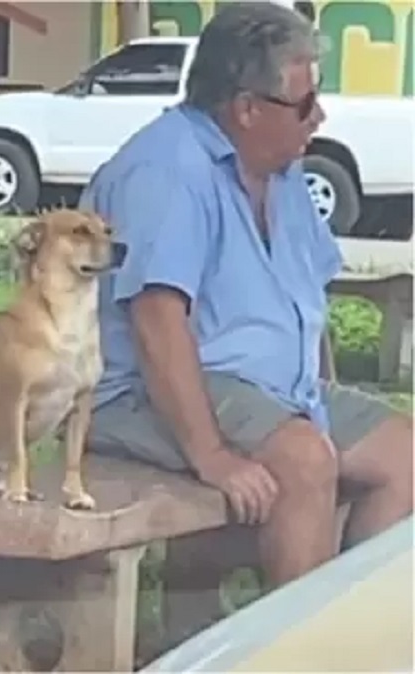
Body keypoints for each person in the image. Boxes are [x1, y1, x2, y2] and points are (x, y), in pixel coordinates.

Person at [80, 1, 412, 590]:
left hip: (268, 389)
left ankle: (345, 635)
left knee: (404, 457)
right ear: (247, 108)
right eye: (305, 103)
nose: (320, 117)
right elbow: (157, 325)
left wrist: (316, 397)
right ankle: (297, 652)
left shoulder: (280, 169)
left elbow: (308, 305)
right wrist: (213, 456)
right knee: (307, 461)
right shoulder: (168, 169)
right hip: (151, 390)